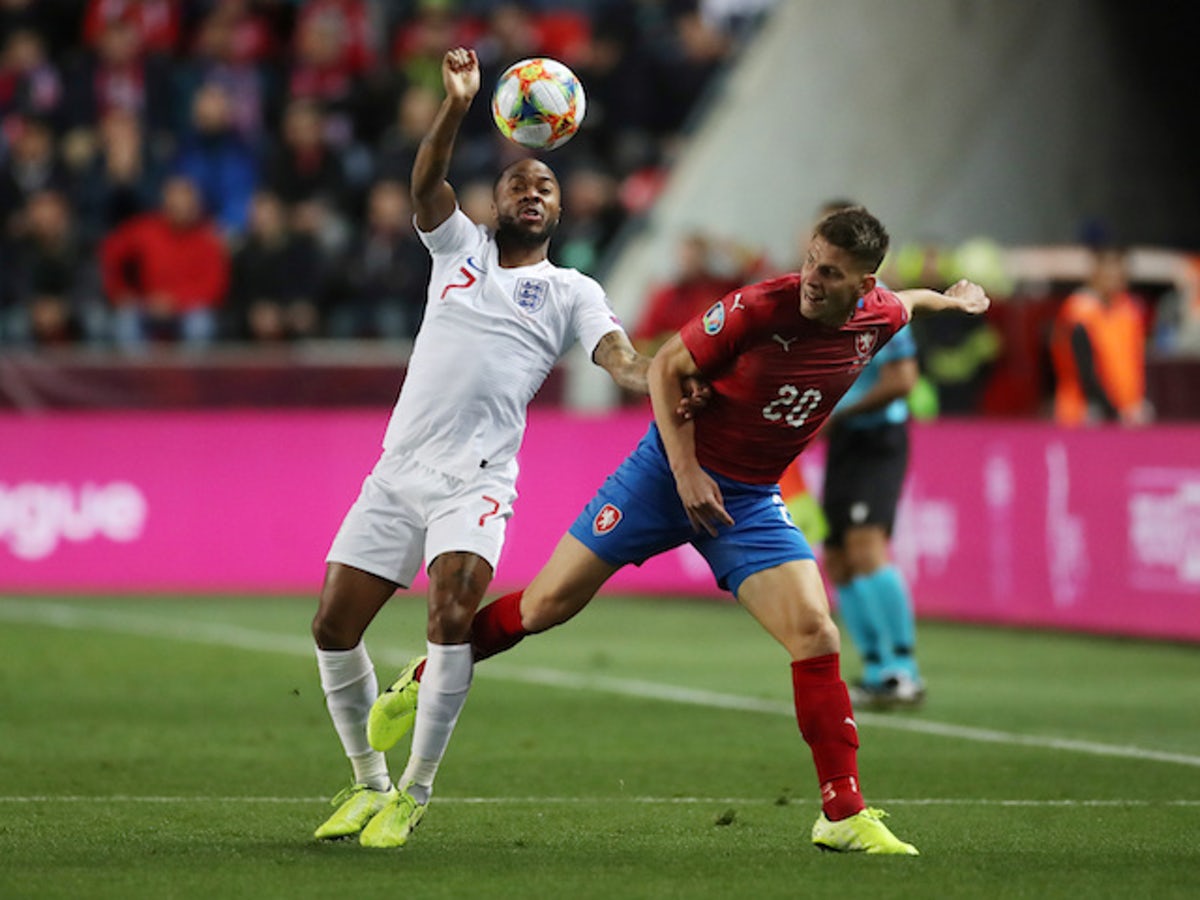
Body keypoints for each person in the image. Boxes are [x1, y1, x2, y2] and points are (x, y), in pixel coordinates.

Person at [369, 205, 990, 855]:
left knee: (815, 632)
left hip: (747, 501)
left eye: (829, 273)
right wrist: (688, 472)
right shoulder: (758, 307)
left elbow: (907, 301)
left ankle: (841, 811)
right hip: (664, 477)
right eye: (810, 259)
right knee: (545, 605)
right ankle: (423, 676)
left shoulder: (880, 315)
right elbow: (667, 368)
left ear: (863, 287)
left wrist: (950, 300)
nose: (810, 277)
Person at [309, 47, 704, 849]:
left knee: (451, 616)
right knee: (331, 628)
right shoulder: (455, 250)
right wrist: (456, 104)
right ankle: (365, 782)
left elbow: (621, 359)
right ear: (494, 202)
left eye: (546, 185)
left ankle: (413, 794)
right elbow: (424, 185)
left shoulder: (572, 292)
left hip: (477, 481)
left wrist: (663, 371)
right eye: (519, 183)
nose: (533, 191)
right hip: (398, 473)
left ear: (560, 211)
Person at [811, 200, 926, 710]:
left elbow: (904, 381)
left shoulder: (882, 307)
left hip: (878, 438)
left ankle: (905, 667)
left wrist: (840, 411)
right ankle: (879, 668)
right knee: (836, 559)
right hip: (846, 440)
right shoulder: (817, 306)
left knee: (865, 547)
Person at [1050, 245, 1151, 427]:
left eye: (1120, 273)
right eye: (1109, 271)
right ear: (1095, 272)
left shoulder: (1128, 309)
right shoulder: (1078, 311)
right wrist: (1113, 411)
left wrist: (1134, 405)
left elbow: (1137, 361)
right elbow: (1084, 369)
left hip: (1127, 412)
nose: (1115, 279)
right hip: (1086, 413)